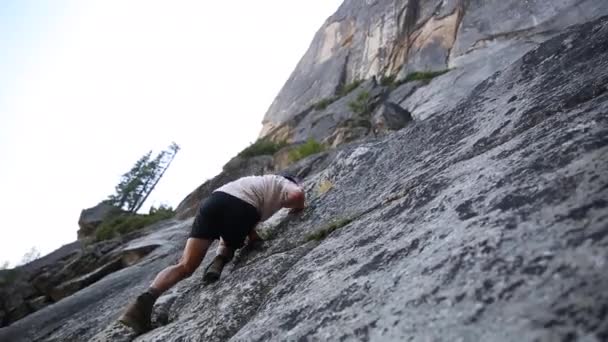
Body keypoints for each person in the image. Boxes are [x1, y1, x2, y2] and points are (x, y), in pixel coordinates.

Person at [118, 172, 305, 333]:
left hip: (213, 202)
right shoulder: (283, 182)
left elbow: (242, 215)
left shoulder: (256, 182)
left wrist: (252, 234)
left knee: (186, 265)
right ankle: (221, 258)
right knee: (239, 229)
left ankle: (142, 303)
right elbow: (297, 194)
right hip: (242, 209)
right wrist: (298, 207)